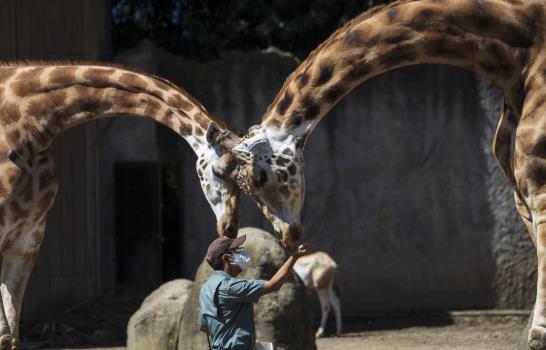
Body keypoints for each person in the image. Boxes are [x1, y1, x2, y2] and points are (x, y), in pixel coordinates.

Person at [198, 234, 312, 350]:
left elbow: (204, 327)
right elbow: (274, 284)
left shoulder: (205, 289)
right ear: (227, 259)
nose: (241, 252)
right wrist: (294, 257)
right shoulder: (230, 286)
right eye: (237, 250)